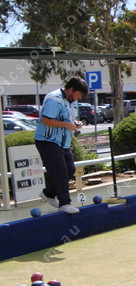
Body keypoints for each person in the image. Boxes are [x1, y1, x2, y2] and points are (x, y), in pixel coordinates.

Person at [35, 76, 88, 214]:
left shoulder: (72, 102)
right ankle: (65, 203)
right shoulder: (54, 99)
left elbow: (68, 120)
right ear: (71, 89)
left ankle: (48, 193)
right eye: (79, 94)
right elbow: (46, 120)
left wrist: (75, 124)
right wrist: (66, 125)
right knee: (60, 171)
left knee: (70, 169)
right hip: (48, 141)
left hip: (63, 143)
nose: (79, 98)